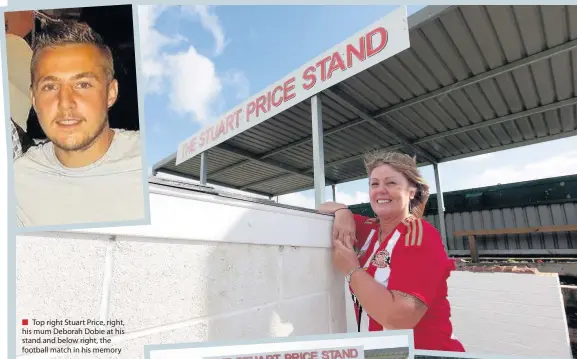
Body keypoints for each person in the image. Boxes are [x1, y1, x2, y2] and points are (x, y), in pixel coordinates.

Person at [318, 151, 465, 352]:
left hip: (425, 353)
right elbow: (321, 208)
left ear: (411, 191)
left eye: (391, 183)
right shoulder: (369, 228)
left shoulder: (418, 235)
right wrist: (342, 210)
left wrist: (352, 270)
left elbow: (401, 318)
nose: (381, 190)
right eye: (374, 184)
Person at [13, 19, 145, 227]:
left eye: (83, 85)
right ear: (34, 97)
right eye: (50, 87)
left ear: (111, 93)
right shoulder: (18, 180)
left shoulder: (149, 164)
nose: (65, 103)